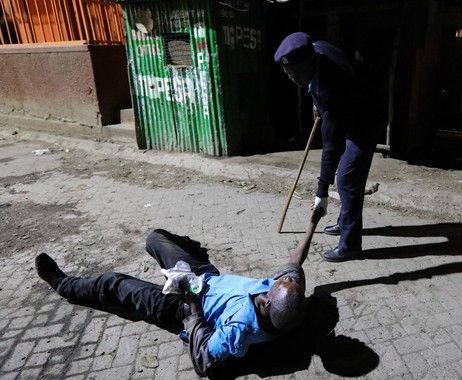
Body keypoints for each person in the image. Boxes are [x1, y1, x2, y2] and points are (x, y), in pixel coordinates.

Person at [35, 208, 324, 377]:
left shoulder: (238, 330)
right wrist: (313, 222)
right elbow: (295, 263)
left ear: (270, 301)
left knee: (114, 283)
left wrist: (192, 304)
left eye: (277, 284)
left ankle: (63, 284)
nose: (277, 279)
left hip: (180, 307)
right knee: (155, 238)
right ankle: (192, 247)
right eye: (284, 281)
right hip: (206, 277)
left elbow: (203, 362)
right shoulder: (286, 298)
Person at [274, 32, 386, 262]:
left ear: (309, 63)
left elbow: (331, 146)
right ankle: (346, 222)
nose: (292, 78)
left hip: (366, 119)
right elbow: (313, 85)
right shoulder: (315, 49)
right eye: (287, 73)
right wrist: (316, 102)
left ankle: (350, 244)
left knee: (347, 178)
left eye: (295, 73)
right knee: (349, 179)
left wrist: (321, 194)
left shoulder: (331, 86)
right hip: (350, 108)